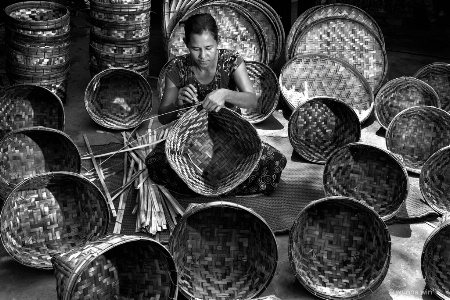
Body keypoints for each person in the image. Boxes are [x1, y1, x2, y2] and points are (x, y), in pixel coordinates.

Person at [145, 13, 287, 196]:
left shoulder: (231, 62)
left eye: (209, 48)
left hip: (233, 140)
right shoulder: (177, 68)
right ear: (186, 44)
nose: (203, 55)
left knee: (273, 161)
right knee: (155, 162)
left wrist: (225, 93)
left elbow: (252, 100)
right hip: (192, 144)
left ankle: (198, 189)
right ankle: (227, 187)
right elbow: (164, 117)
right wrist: (177, 103)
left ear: (217, 42)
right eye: (196, 49)